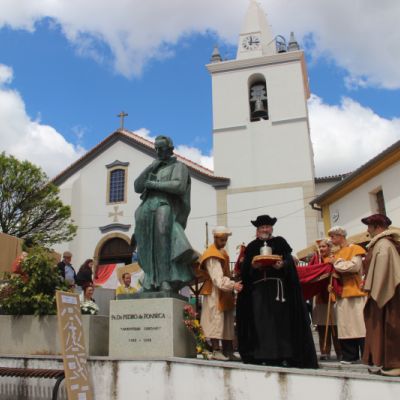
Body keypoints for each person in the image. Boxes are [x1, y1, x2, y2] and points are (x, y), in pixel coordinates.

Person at [236, 215, 318, 368]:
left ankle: (283, 355)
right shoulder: (252, 246)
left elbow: (289, 262)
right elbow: (245, 269)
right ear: (257, 230)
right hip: (259, 291)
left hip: (279, 291)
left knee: (281, 322)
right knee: (261, 323)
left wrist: (283, 265)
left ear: (271, 228)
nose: (264, 229)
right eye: (262, 227)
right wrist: (253, 266)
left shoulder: (280, 242)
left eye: (267, 226)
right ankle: (263, 355)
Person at [134, 135, 196, 293]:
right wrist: (150, 168)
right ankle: (149, 281)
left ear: (170, 149)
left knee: (162, 237)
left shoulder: (178, 166)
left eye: (161, 148)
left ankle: (164, 280)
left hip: (164, 204)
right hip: (146, 207)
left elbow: (179, 186)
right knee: (144, 242)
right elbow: (137, 186)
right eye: (156, 148)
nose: (158, 152)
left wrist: (154, 184)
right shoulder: (153, 167)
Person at [361, 214, 400, 376]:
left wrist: (375, 291)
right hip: (385, 293)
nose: (367, 230)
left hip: (388, 294)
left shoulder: (383, 244)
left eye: (369, 226)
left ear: (377, 226)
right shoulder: (382, 243)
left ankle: (394, 364)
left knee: (390, 326)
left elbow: (384, 271)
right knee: (383, 327)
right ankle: (385, 362)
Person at [199, 226, 243, 361]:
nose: (224, 242)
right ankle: (216, 350)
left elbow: (225, 275)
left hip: (225, 291)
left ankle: (228, 351)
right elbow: (217, 279)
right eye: (222, 240)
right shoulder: (211, 255)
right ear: (215, 238)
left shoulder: (222, 252)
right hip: (215, 292)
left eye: (225, 240)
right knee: (216, 321)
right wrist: (233, 285)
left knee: (227, 321)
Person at [328, 226, 366, 364]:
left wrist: (337, 263)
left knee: (360, 324)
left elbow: (354, 266)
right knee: (345, 326)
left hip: (355, 290)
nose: (331, 239)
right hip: (341, 292)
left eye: (333, 236)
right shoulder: (336, 253)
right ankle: (350, 355)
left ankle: (366, 355)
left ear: (341, 235)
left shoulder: (354, 248)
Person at [309, 239, 341, 361]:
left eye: (324, 246)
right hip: (320, 296)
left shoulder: (334, 258)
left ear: (329, 247)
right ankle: (324, 352)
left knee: (336, 326)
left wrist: (333, 283)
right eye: (320, 247)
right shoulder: (317, 260)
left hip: (333, 296)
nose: (321, 249)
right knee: (322, 326)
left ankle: (340, 352)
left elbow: (339, 274)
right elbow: (312, 274)